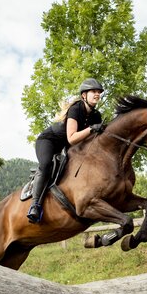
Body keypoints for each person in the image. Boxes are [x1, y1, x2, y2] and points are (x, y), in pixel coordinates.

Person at [27, 78, 105, 222]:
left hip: (67, 147)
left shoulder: (96, 115)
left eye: (99, 92)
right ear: (84, 95)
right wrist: (91, 129)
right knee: (46, 165)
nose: (97, 94)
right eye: (94, 91)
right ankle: (35, 205)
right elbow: (72, 138)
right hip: (49, 141)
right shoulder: (76, 109)